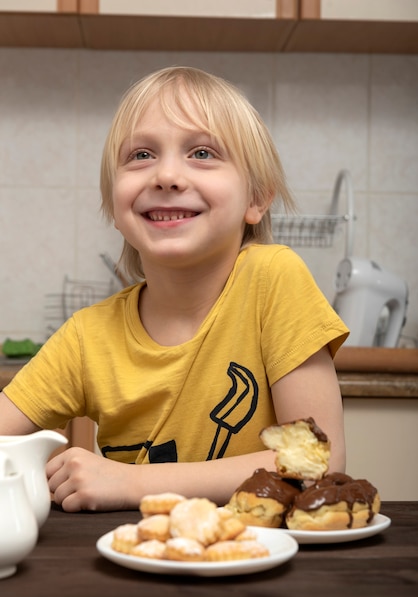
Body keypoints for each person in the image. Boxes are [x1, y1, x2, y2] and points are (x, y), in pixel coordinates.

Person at [0, 66, 349, 512]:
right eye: (141, 155)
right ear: (113, 203)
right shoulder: (87, 336)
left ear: (256, 199)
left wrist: (130, 482)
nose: (166, 175)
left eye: (202, 153)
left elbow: (319, 461)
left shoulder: (274, 278)